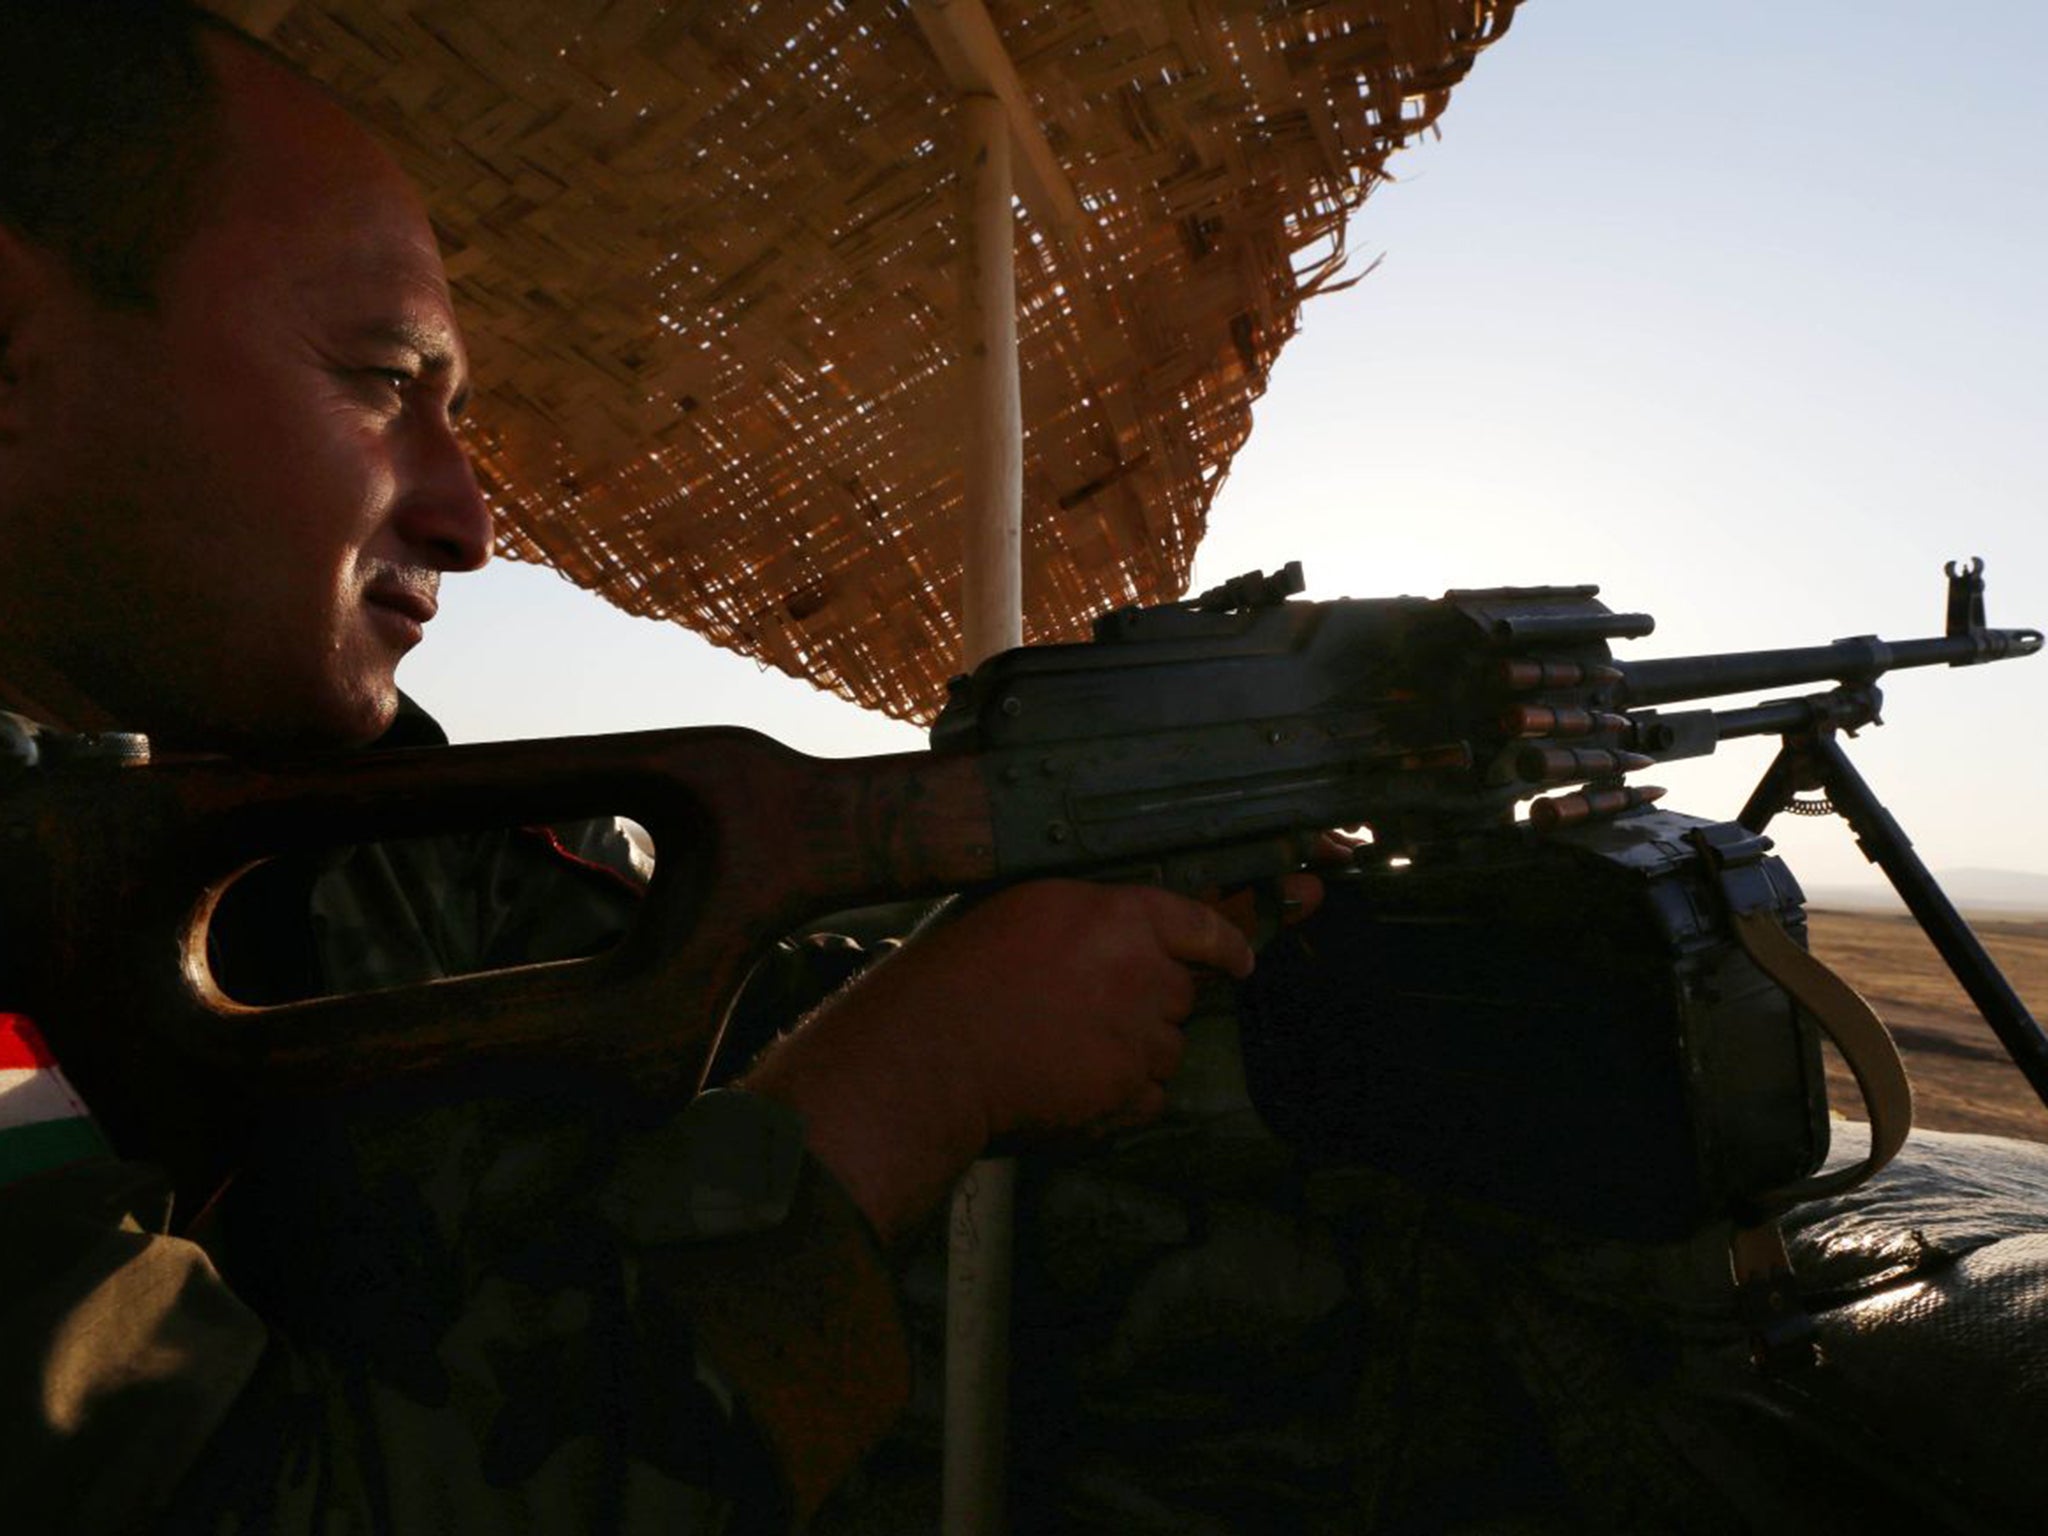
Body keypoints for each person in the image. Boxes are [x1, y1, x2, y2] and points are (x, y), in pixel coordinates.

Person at [0, 6, 1318, 1530]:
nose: (468, 520)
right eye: (376, 380)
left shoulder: (300, 827)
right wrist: (905, 1090)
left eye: (459, 416)